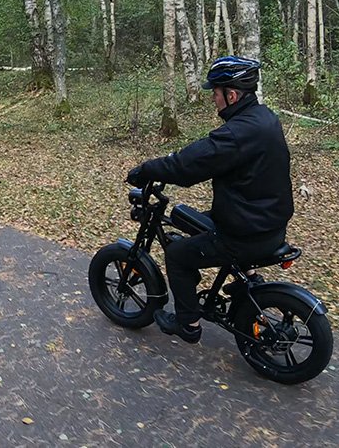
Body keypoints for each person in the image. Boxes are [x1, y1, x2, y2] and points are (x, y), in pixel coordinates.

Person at [126, 56, 294, 344]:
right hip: (266, 220)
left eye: (215, 94)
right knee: (191, 220)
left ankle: (187, 323)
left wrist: (147, 170)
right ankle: (249, 277)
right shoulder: (265, 118)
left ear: (231, 94)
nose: (213, 100)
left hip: (245, 232)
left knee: (178, 255)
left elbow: (189, 164)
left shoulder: (236, 134)